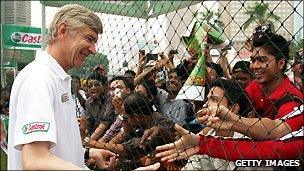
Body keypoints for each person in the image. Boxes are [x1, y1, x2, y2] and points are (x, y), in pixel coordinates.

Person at [8, 4, 118, 170]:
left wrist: (86, 153)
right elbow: (35, 160)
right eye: (89, 39)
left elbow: (54, 149)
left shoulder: (55, 77)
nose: (93, 50)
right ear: (63, 30)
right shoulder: (39, 78)